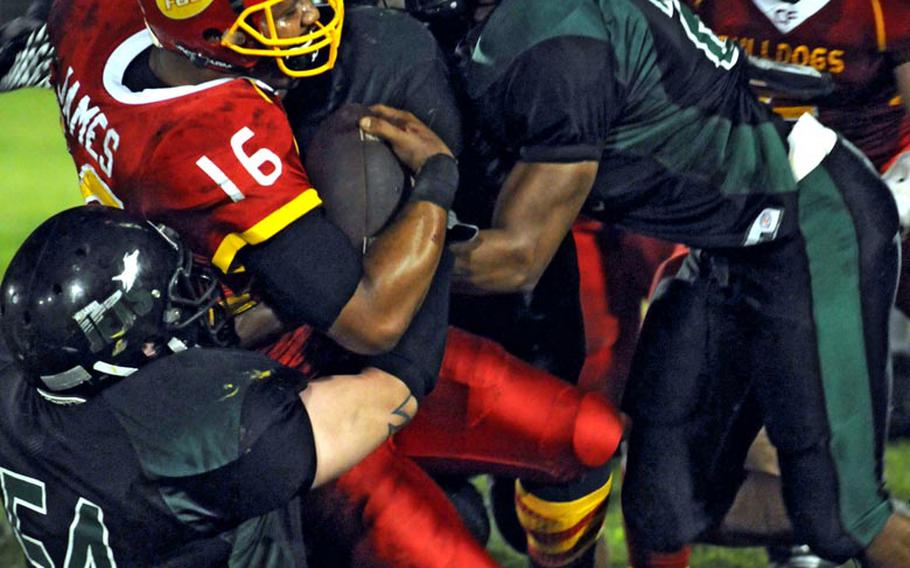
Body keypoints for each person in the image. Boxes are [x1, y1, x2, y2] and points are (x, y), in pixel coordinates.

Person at [451, 0, 910, 567]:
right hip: (723, 248)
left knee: (844, 517)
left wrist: (370, 269)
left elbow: (515, 260)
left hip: (812, 224)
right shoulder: (553, 25)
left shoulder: (564, 42)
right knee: (667, 508)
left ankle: (846, 521)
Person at [0, 206, 420, 566]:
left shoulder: (24, 375)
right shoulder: (184, 437)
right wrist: (437, 201)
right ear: (133, 349)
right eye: (168, 302)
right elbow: (395, 391)